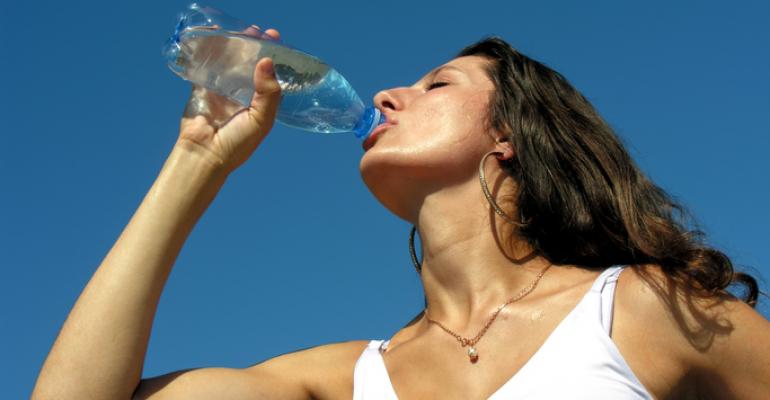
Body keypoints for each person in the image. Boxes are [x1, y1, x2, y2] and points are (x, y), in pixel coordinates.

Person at [32, 29, 770, 399]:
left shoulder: (637, 309)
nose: (387, 95)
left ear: (511, 135)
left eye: (437, 85)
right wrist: (197, 160)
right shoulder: (348, 379)